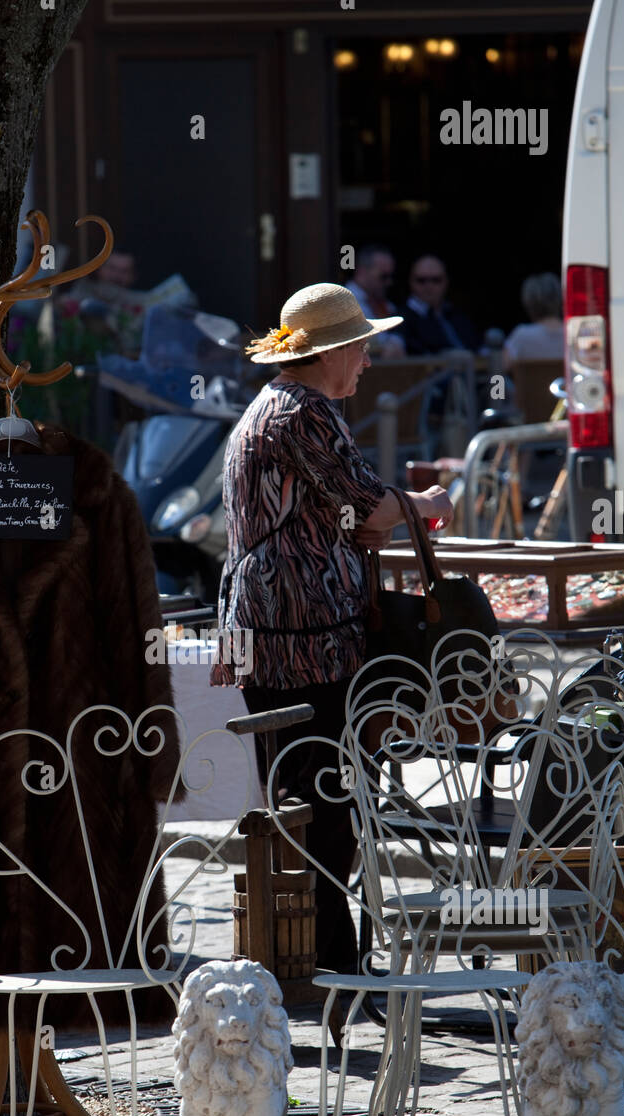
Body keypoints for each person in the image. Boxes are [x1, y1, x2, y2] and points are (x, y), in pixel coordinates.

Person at [210, 282, 453, 975]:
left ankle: (329, 959)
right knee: (326, 794)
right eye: (363, 348)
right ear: (332, 352)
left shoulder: (282, 406)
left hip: (284, 625)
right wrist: (428, 503)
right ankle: (334, 963)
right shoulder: (303, 413)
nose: (369, 362)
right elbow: (370, 507)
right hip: (300, 631)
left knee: (315, 792)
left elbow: (338, 511)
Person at [401, 255, 479, 355]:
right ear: (411, 282)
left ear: (446, 281)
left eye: (436, 280)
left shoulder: (456, 314)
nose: (429, 286)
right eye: (421, 280)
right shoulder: (402, 318)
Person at [344, 245, 406, 359]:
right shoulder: (344, 302)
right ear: (362, 272)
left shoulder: (385, 304)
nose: (389, 282)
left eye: (391, 276)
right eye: (384, 276)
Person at [502, 272, 564, 370]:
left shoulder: (521, 336)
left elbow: (500, 369)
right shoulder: (573, 334)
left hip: (529, 386)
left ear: (528, 303)